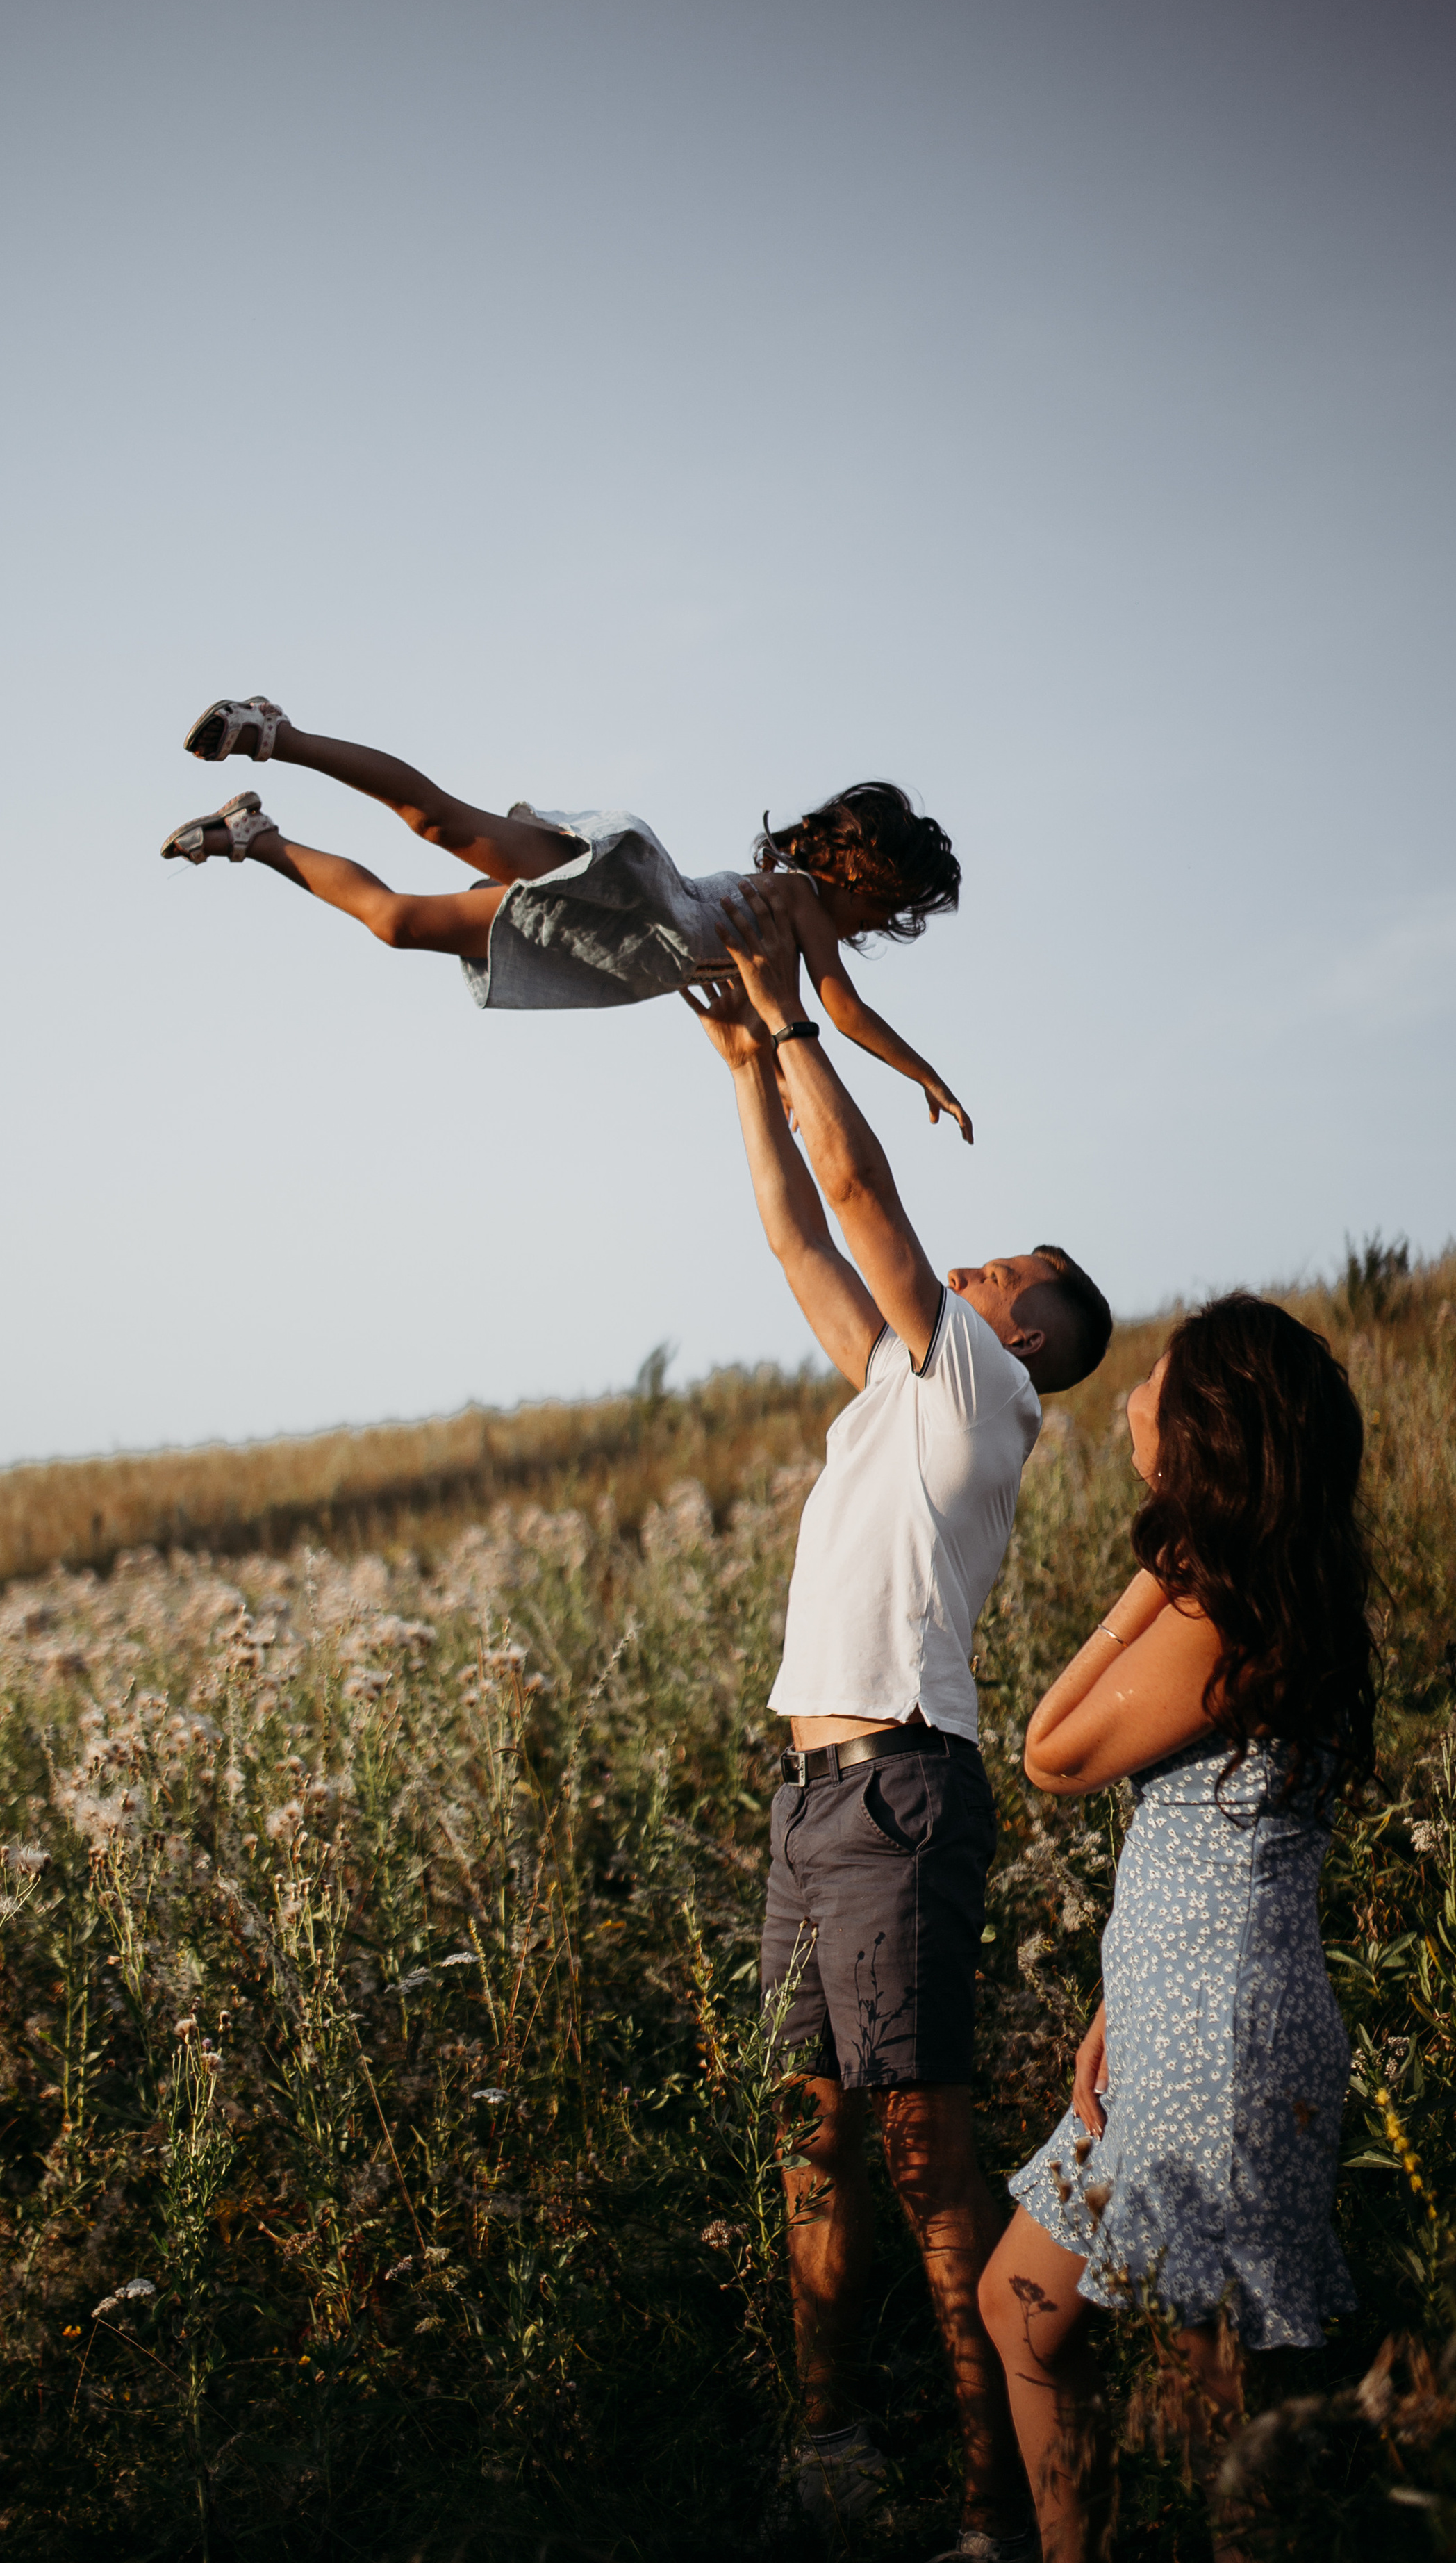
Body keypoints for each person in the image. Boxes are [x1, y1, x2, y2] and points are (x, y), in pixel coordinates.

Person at [685, 875, 1112, 2563]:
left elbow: (859, 1192)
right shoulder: (894, 1386)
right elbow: (804, 1231)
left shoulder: (983, 1391)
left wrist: (793, 1017)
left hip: (891, 1801)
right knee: (810, 2132)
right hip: (810, 1801)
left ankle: (985, 2505)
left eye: (996, 1260)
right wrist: (739, 1069)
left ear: (1021, 1329)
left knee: (926, 2154)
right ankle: (826, 2439)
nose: (966, 1253)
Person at [977, 1295, 1375, 2563]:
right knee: (1022, 2309)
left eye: (1158, 1379)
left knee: (1221, 2439)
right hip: (1178, 2028)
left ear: (1202, 1434)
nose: (1135, 1393)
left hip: (1222, 2054)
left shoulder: (1219, 1619)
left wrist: (1161, 1565)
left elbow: (1050, 1749)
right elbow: (1221, 1853)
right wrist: (1117, 2006)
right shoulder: (1261, 1605)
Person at [159, 694, 975, 1138]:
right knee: (439, 821)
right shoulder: (799, 902)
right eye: (889, 908)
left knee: (396, 924)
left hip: (606, 948)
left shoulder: (783, 952)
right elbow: (843, 1010)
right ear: (865, 875)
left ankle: (256, 838)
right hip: (627, 893)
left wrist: (795, 1099)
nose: (877, 927)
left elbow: (777, 1031)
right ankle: (278, 733)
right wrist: (922, 1072)